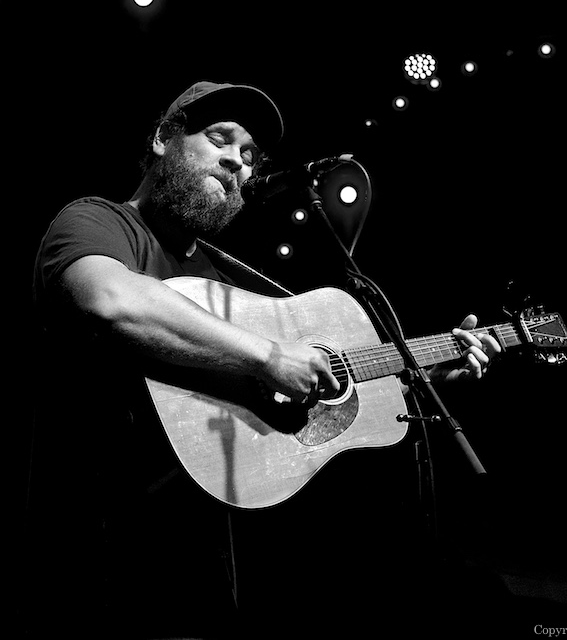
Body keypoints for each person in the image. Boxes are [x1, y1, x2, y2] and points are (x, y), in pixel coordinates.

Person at [27, 81, 501, 637]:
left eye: (250, 156)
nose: (237, 161)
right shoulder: (97, 221)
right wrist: (271, 357)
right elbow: (109, 300)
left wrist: (419, 369)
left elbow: (308, 388)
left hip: (200, 559)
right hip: (94, 545)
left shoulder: (231, 283)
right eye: (219, 138)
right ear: (162, 139)